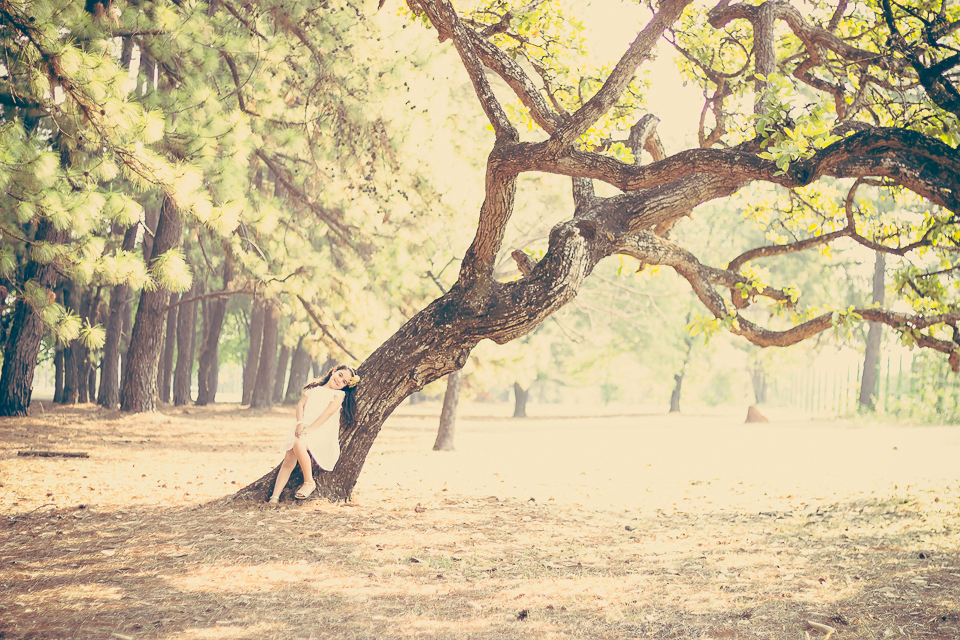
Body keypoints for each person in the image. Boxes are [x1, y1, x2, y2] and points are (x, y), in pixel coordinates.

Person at [268, 364, 359, 503]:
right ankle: (274, 497)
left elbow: (328, 413)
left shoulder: (339, 394)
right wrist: (300, 424)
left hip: (320, 429)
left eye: (344, 382)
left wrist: (310, 429)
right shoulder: (314, 389)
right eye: (340, 375)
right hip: (302, 426)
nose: (339, 380)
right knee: (288, 461)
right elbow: (300, 406)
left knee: (299, 444)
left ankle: (309, 482)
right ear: (334, 371)